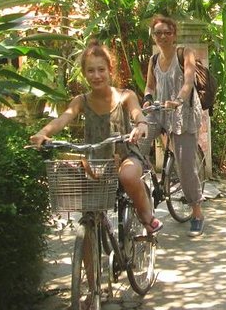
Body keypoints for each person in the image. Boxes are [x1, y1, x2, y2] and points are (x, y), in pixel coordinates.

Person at [30, 40, 162, 234]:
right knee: (87, 216)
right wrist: (43, 133)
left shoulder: (125, 96)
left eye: (101, 69)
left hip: (125, 155)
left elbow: (137, 114)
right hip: (95, 161)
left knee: (127, 175)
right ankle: (86, 259)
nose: (96, 75)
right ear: (84, 74)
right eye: (91, 71)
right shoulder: (80, 101)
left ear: (110, 70)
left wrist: (141, 125)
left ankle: (146, 216)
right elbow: (62, 119)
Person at [144, 15, 205, 237]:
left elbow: (188, 81)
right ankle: (142, 202)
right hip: (160, 112)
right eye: (158, 33)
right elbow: (149, 87)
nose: (162, 37)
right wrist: (148, 99)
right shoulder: (153, 60)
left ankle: (197, 213)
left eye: (166, 33)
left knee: (185, 165)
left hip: (183, 113)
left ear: (174, 35)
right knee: (136, 144)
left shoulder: (184, 53)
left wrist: (178, 100)